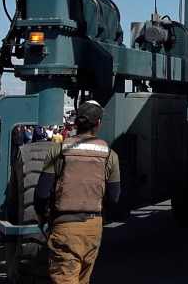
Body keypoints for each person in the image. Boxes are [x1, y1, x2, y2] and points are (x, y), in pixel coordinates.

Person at [35, 101, 120, 284]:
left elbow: (42, 193)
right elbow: (114, 197)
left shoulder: (58, 150)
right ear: (98, 123)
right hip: (93, 229)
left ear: (75, 122)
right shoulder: (110, 154)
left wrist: (44, 218)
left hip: (64, 225)